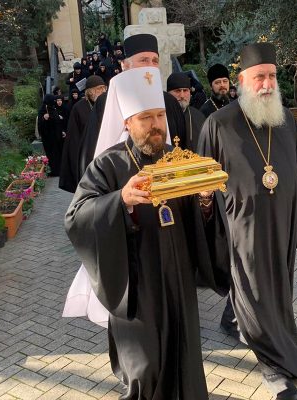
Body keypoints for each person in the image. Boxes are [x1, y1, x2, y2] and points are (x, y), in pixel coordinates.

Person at [64, 66, 230, 399]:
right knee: (144, 367)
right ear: (127, 122)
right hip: (137, 284)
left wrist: (206, 202)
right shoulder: (107, 165)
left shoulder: (179, 159)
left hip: (179, 279)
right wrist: (120, 201)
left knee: (183, 356)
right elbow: (76, 217)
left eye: (159, 116)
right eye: (145, 118)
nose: (156, 125)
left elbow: (202, 218)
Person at [199, 42, 297, 400]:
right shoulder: (218, 124)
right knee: (255, 293)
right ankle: (276, 370)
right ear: (241, 81)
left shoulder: (284, 122)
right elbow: (201, 185)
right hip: (243, 231)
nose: (267, 83)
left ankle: (232, 318)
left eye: (271, 76)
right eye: (259, 77)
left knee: (277, 293)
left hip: (281, 228)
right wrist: (204, 205)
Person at [78, 33, 187, 177]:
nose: (150, 67)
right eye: (143, 60)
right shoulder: (105, 103)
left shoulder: (169, 102)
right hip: (118, 181)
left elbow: (181, 146)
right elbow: (91, 151)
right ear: (125, 65)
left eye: (155, 61)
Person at [59, 75, 107, 193]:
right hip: (88, 155)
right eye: (98, 89)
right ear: (89, 91)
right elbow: (74, 138)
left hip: (105, 152)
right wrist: (78, 161)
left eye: (103, 88)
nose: (101, 92)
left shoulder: (108, 104)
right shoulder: (79, 108)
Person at [167, 72, 206, 149]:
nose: (182, 96)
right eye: (177, 91)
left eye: (185, 91)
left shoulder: (199, 116)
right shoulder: (161, 116)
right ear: (168, 93)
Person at [37, 94, 63, 176]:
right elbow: (40, 125)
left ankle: (59, 170)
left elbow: (56, 121)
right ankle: (54, 171)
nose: (55, 102)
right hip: (49, 138)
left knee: (57, 154)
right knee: (52, 155)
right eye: (53, 100)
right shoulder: (43, 110)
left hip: (56, 137)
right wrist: (44, 119)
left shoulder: (52, 108)